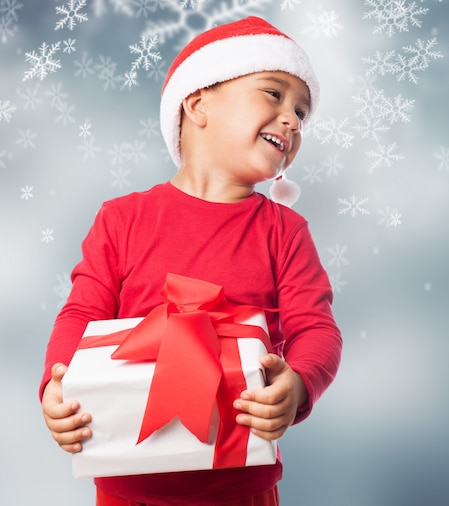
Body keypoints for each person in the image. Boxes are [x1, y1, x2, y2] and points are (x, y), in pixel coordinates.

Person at [39, 16, 342, 506]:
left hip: (240, 485)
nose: (291, 119)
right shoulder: (122, 219)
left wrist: (301, 384)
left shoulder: (286, 232)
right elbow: (81, 315)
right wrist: (56, 387)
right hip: (126, 482)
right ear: (198, 104)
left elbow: (317, 329)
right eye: (273, 93)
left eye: (301, 113)